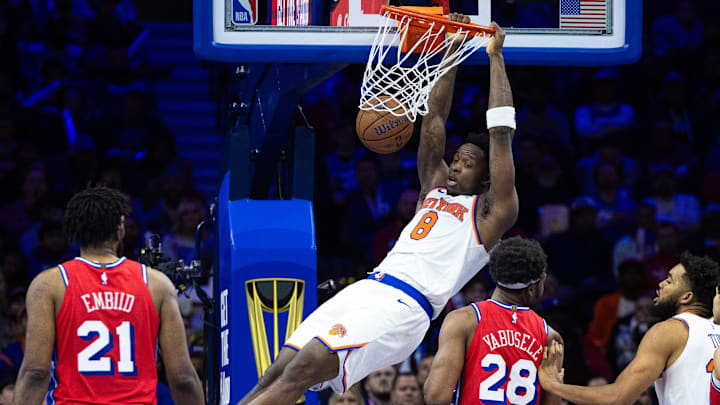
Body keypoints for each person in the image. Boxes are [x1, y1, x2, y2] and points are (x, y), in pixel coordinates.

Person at [240, 16, 519, 405]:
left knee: (306, 368)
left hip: (406, 307)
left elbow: (501, 133)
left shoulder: (491, 214)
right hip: (370, 286)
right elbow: (433, 121)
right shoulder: (435, 190)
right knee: (279, 367)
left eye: (468, 164)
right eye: (456, 160)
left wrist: (495, 58)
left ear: (486, 179)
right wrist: (451, 52)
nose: (455, 166)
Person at [13, 187, 203, 404]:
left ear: (75, 231)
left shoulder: (49, 285)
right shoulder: (156, 284)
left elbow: (35, 373)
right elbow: (182, 378)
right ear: (119, 229)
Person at [539, 252, 720, 404]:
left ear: (686, 297)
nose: (660, 284)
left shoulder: (669, 330)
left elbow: (617, 398)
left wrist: (553, 385)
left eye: (670, 281)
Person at [424, 237, 563, 405]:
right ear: (536, 285)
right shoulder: (550, 336)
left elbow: (436, 397)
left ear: (494, 275)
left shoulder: (464, 320)